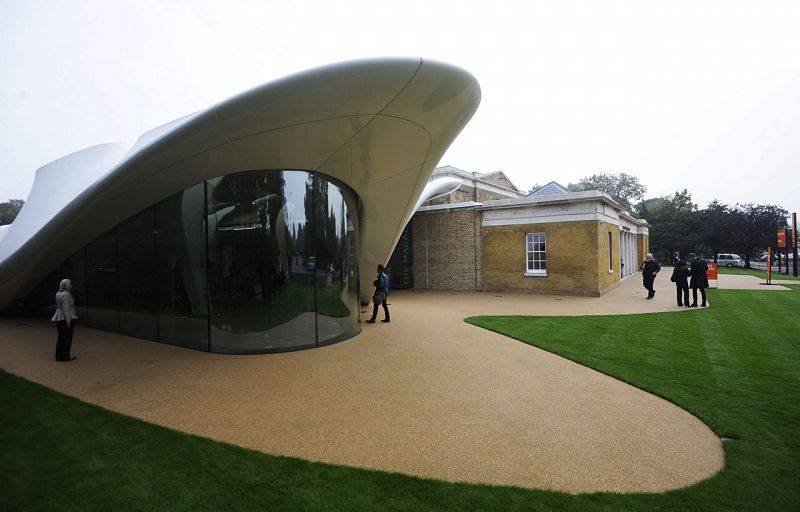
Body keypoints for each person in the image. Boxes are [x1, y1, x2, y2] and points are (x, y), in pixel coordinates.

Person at [51, 278, 78, 361]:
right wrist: (68, 321)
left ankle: (59, 356)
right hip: (66, 317)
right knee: (67, 338)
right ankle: (65, 356)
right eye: (70, 284)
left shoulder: (58, 293)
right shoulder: (66, 295)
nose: (71, 286)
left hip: (58, 317)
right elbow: (65, 309)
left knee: (61, 338)